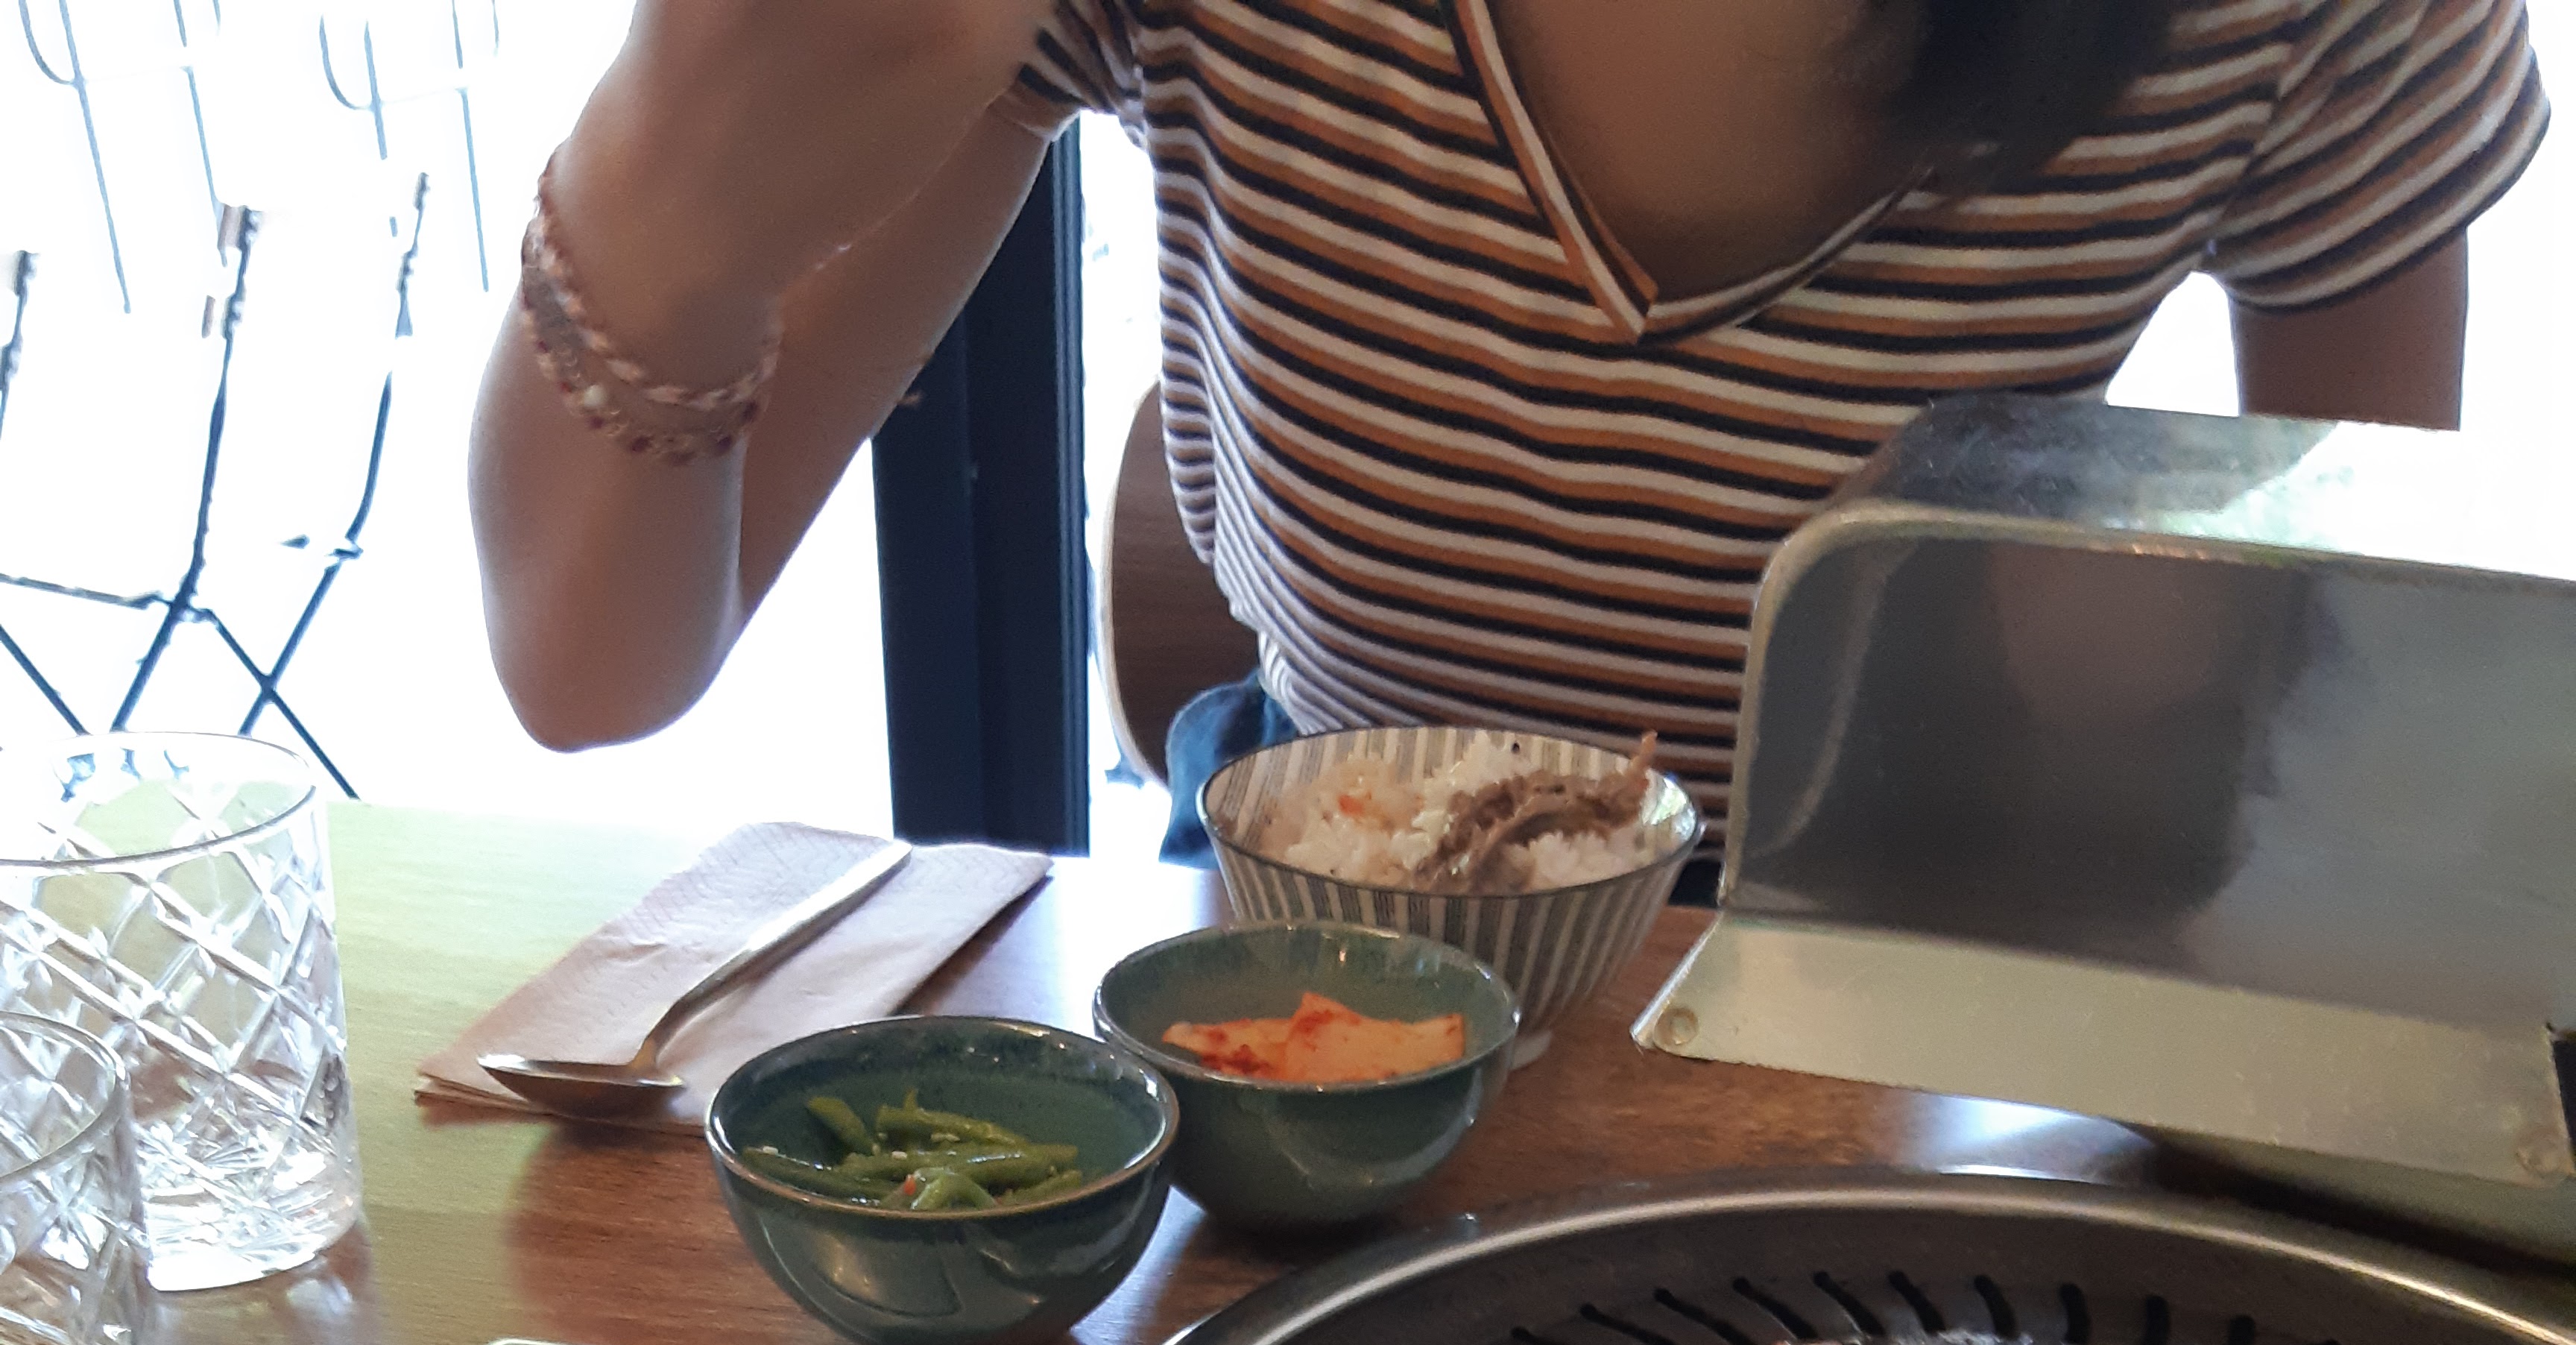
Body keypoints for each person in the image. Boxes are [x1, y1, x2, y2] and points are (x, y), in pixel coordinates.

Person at [472, 0, 2545, 852]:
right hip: (1302, 927)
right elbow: (593, 674)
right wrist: (663, 204)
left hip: (1871, 974)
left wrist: (2161, 675)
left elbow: (2358, 732)